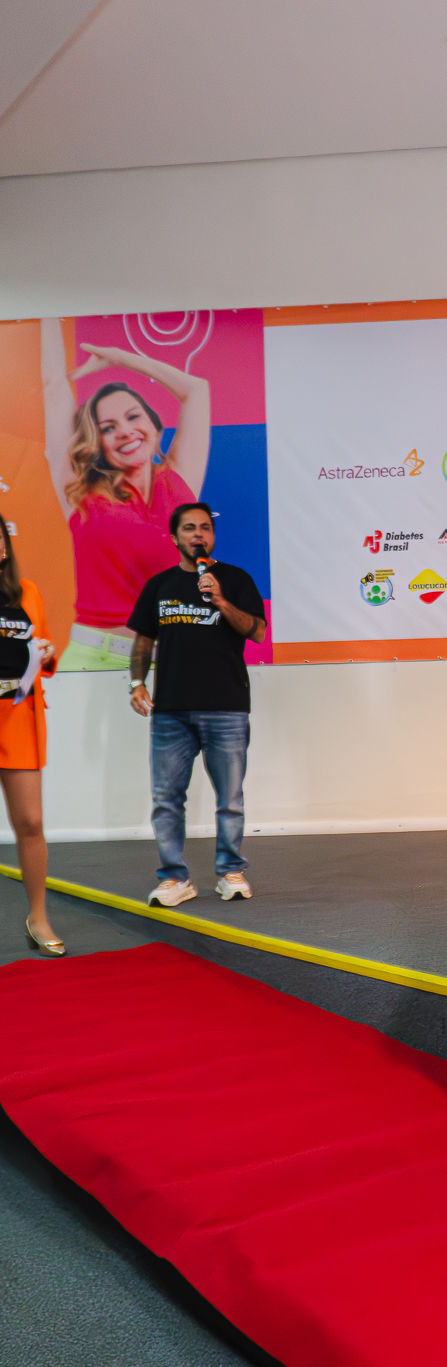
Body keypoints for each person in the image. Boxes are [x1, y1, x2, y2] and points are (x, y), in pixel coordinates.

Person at [41, 320, 212, 671]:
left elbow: (196, 389)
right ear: (97, 442)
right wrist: (47, 311)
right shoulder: (81, 492)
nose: (125, 431)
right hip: (95, 658)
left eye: (134, 417)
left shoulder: (179, 481)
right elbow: (54, 385)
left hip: (172, 656)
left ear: (154, 426)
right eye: (108, 428)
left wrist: (120, 358)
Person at [127, 502, 266, 907]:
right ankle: (174, 878)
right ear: (175, 537)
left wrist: (220, 600)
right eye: (189, 528)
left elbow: (257, 631)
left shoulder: (235, 579)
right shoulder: (159, 586)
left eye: (205, 528)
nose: (198, 535)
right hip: (171, 710)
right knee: (167, 798)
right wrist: (136, 683)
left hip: (226, 706)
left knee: (230, 799)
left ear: (212, 536)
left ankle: (231, 872)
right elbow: (144, 641)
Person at [0, 520, 63, 954]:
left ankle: (38, 918)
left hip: (18, 715)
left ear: (5, 546)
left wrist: (48, 652)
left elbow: (44, 648)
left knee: (31, 822)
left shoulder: (27, 591)